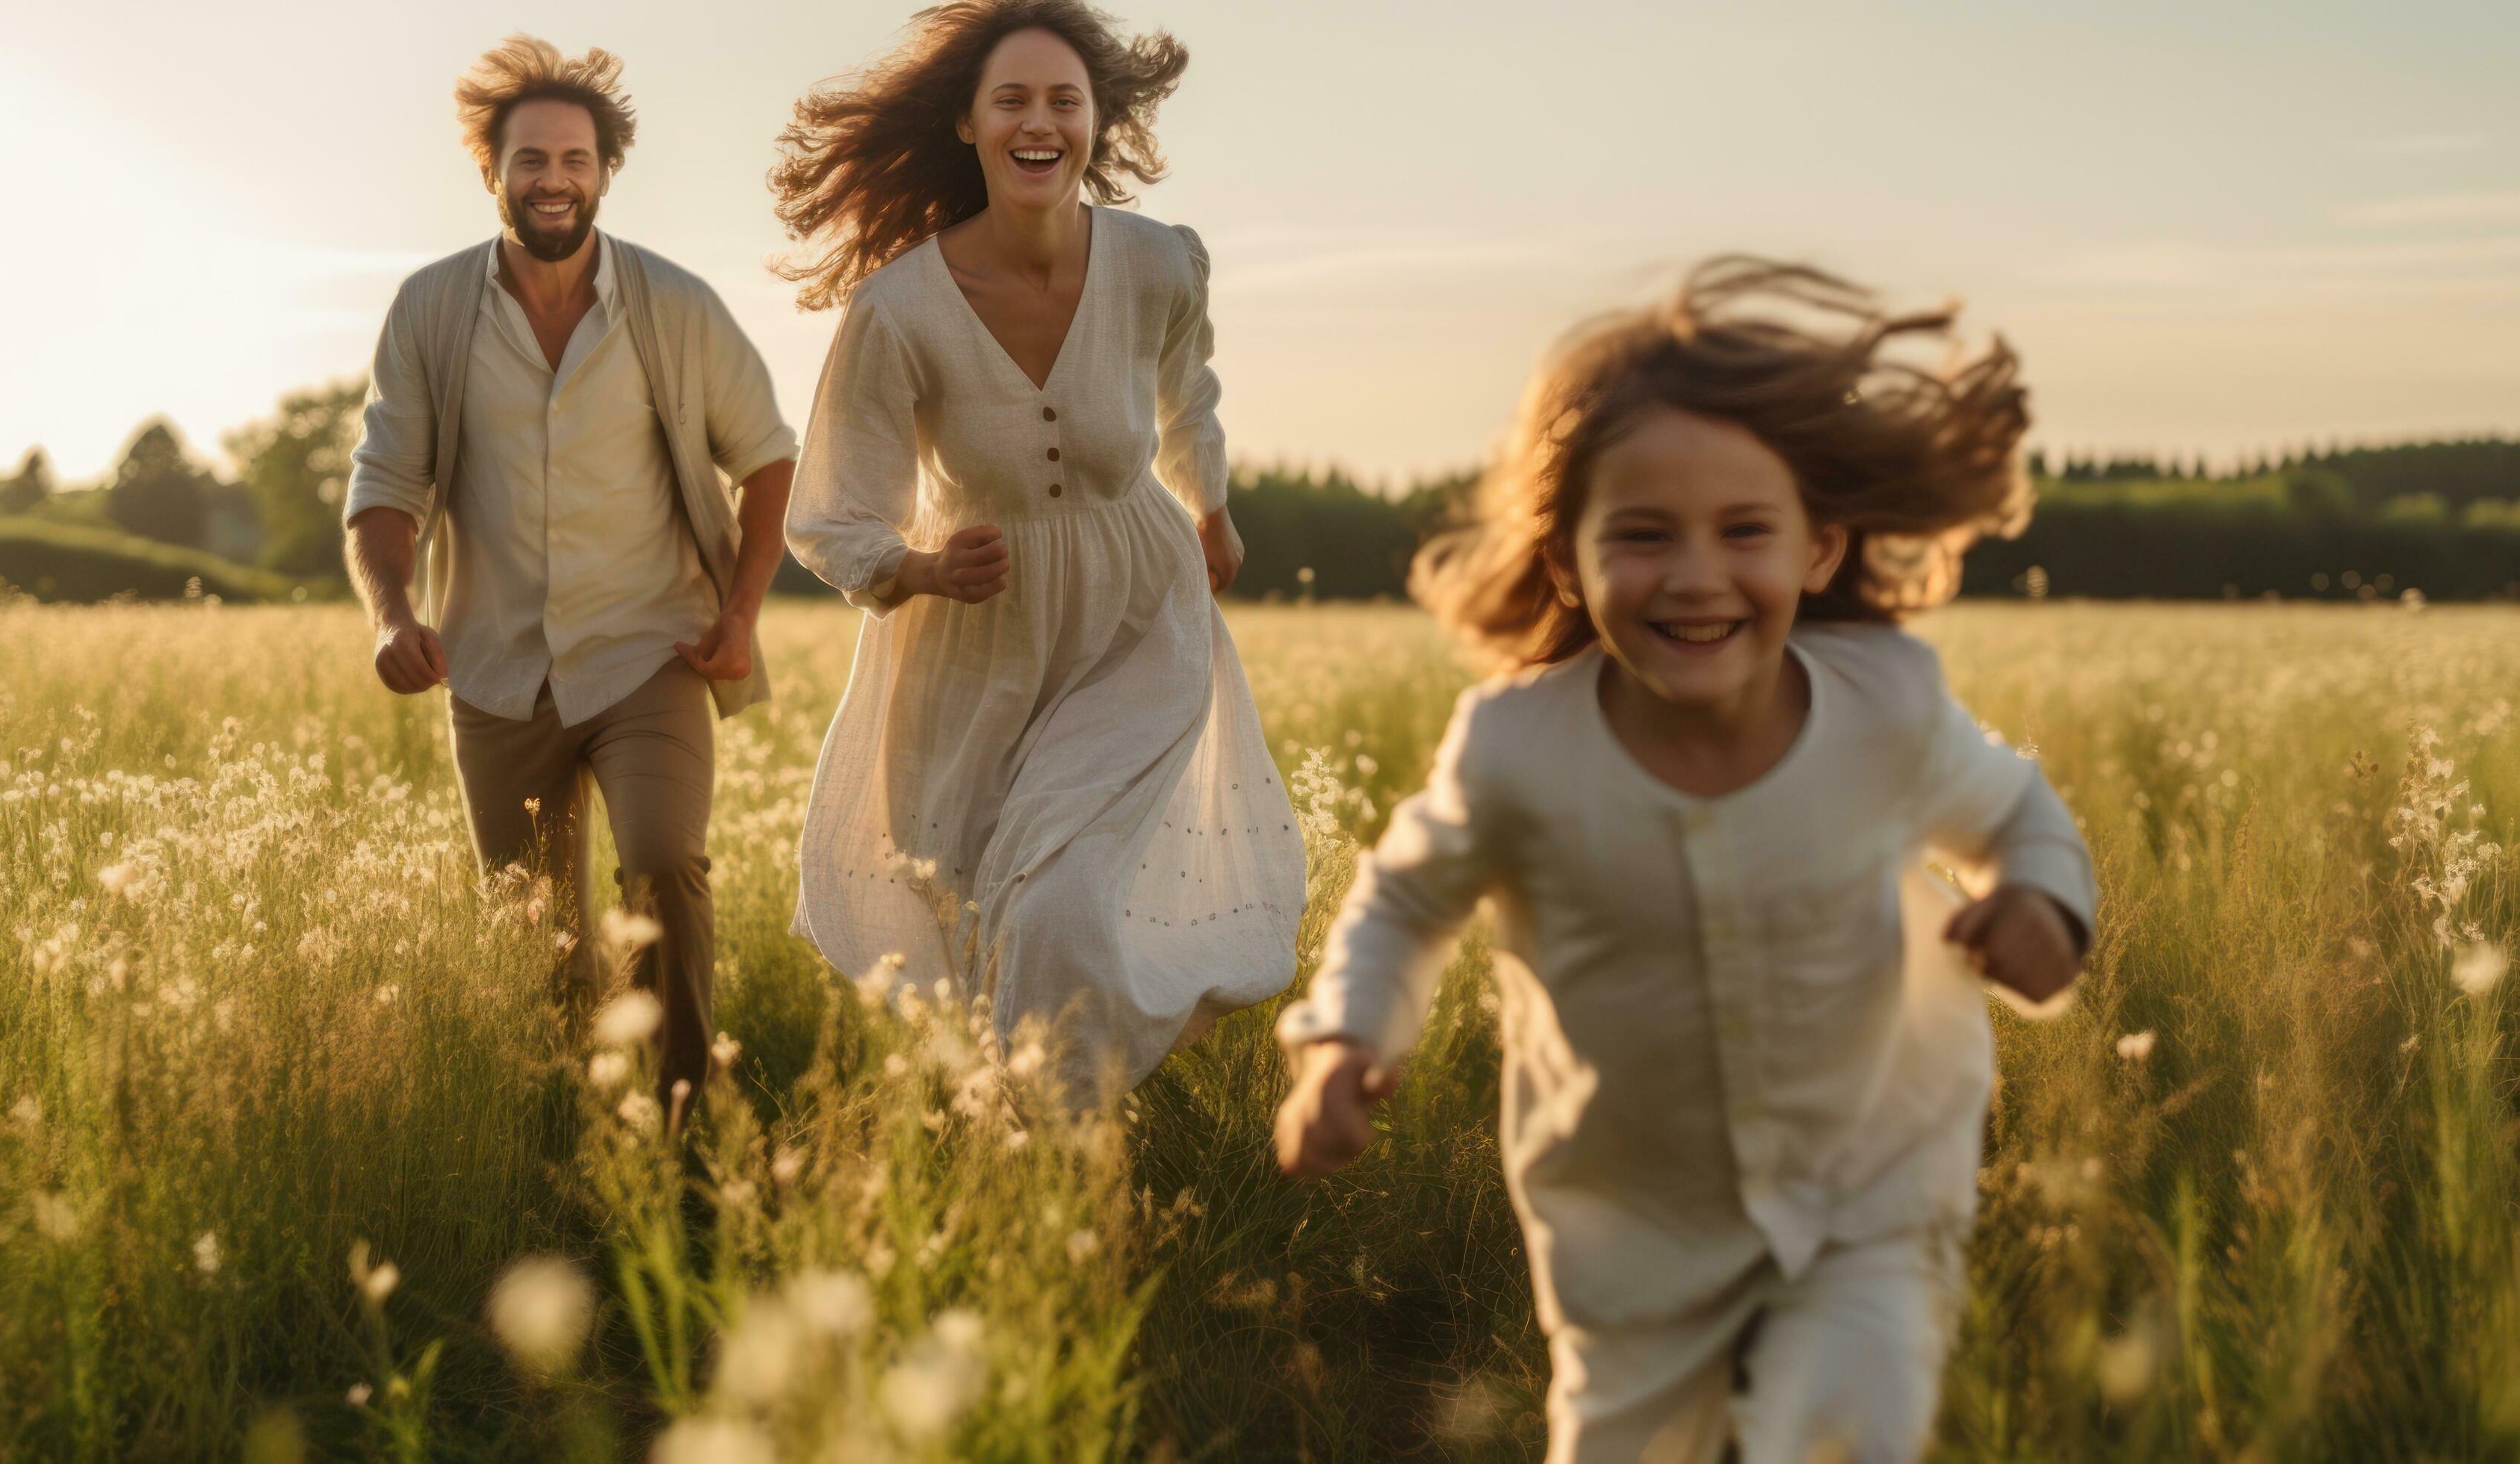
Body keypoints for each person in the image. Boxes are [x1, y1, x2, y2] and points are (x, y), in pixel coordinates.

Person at [1271, 259, 2097, 1463]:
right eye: (1645, 536)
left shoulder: (1887, 706)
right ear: (1568, 561)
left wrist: (2041, 909)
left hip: (1874, 1183)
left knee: (1839, 1435)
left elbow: (2020, 814)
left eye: (1745, 532)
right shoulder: (1517, 748)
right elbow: (1403, 903)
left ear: (1821, 548)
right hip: (1628, 1223)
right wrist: (1346, 1040)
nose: (1699, 575)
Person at [774, 1, 1302, 1102]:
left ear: (1096, 122)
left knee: (1056, 898)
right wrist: (918, 569)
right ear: (968, 124)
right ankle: (1015, 1132)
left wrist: (1210, 505)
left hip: (1137, 618)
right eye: (1012, 99)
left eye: (1065, 100)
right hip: (973, 635)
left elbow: (1186, 392)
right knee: (979, 918)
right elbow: (834, 510)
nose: (1040, 121)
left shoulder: (1159, 263)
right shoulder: (899, 309)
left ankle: (1050, 1157)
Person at [344, 36, 800, 1123]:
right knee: (537, 937)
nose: (556, 179)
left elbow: (769, 456)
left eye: (577, 160)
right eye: (532, 160)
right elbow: (383, 490)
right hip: (496, 670)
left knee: (663, 863)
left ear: (606, 171)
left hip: (652, 652)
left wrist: (740, 616)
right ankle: (579, 1143)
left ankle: (686, 1121)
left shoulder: (675, 307)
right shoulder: (431, 310)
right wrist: (391, 617)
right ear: (490, 171)